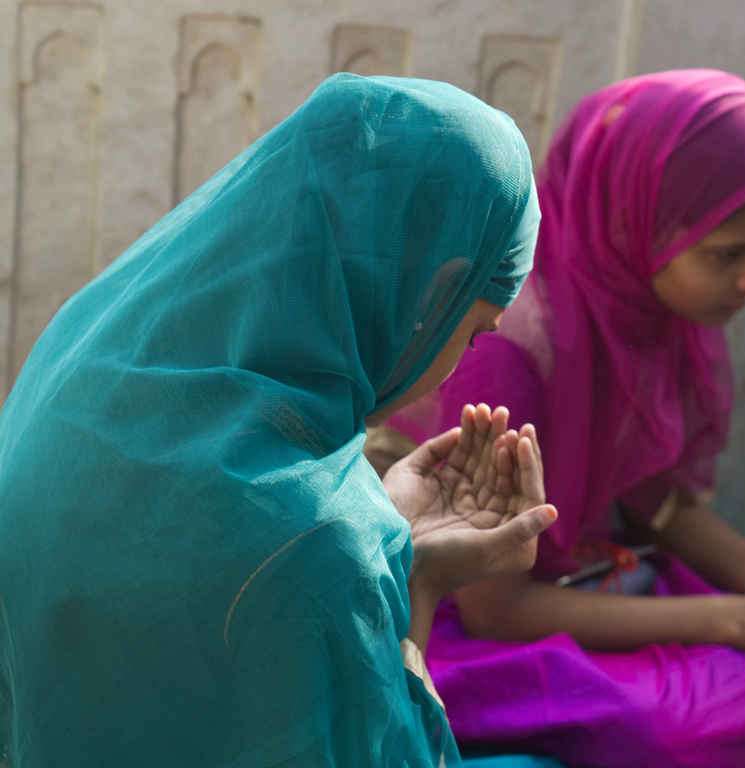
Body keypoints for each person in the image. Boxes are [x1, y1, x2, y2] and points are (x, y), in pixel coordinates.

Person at [0, 74, 558, 767]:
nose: (457, 364)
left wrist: (384, 534)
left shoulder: (81, 356)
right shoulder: (315, 543)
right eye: (470, 331)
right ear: (430, 291)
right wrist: (411, 587)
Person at [376, 70, 745, 767]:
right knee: (677, 733)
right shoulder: (510, 347)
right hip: (488, 629)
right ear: (633, 215)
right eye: (727, 254)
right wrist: (744, 621)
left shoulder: (642, 301)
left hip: (603, 581)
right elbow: (495, 608)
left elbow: (652, 498)